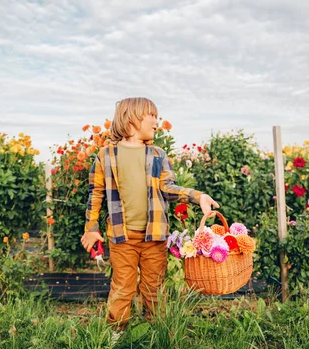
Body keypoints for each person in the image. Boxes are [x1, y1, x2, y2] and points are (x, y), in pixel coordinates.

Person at [80, 97, 219, 330]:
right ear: (132, 118)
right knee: (122, 288)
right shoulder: (106, 155)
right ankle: (116, 336)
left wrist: (197, 196)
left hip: (154, 236)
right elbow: (95, 194)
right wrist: (91, 229)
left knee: (154, 289)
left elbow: (168, 187)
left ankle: (156, 334)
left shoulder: (157, 154)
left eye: (157, 116)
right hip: (121, 237)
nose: (157, 121)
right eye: (152, 116)